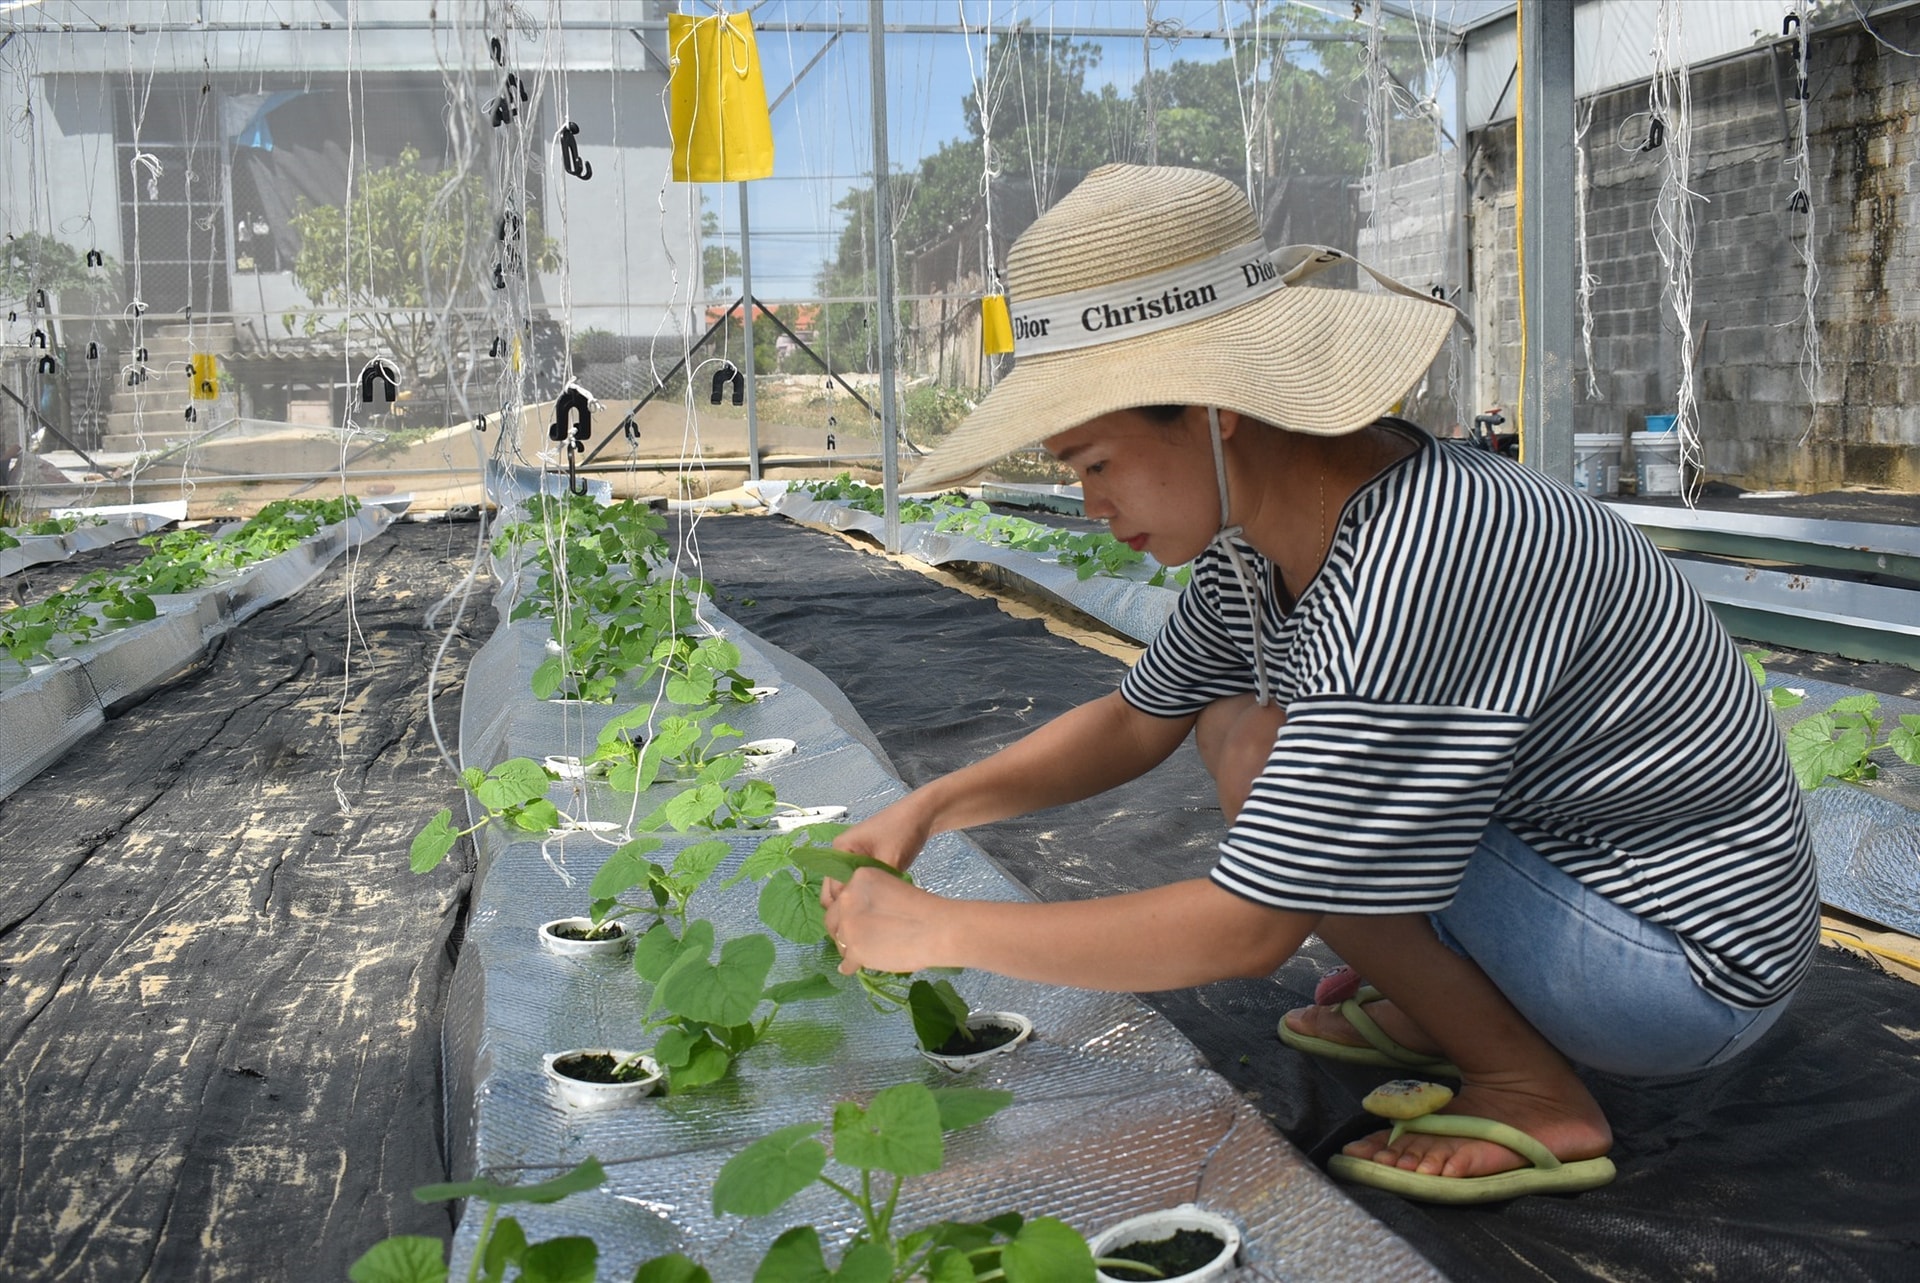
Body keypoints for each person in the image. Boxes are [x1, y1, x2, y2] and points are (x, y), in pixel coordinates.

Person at [819, 164, 1818, 1204]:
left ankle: (1531, 1084)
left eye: (1096, 461)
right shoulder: (1262, 537)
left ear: (1213, 410)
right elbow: (1133, 716)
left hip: (1682, 965)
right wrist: (929, 809)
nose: (1090, 501)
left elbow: (1248, 925)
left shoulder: (1427, 550)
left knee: (1259, 751)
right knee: (1234, 725)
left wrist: (940, 929)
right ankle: (1453, 1006)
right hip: (1589, 885)